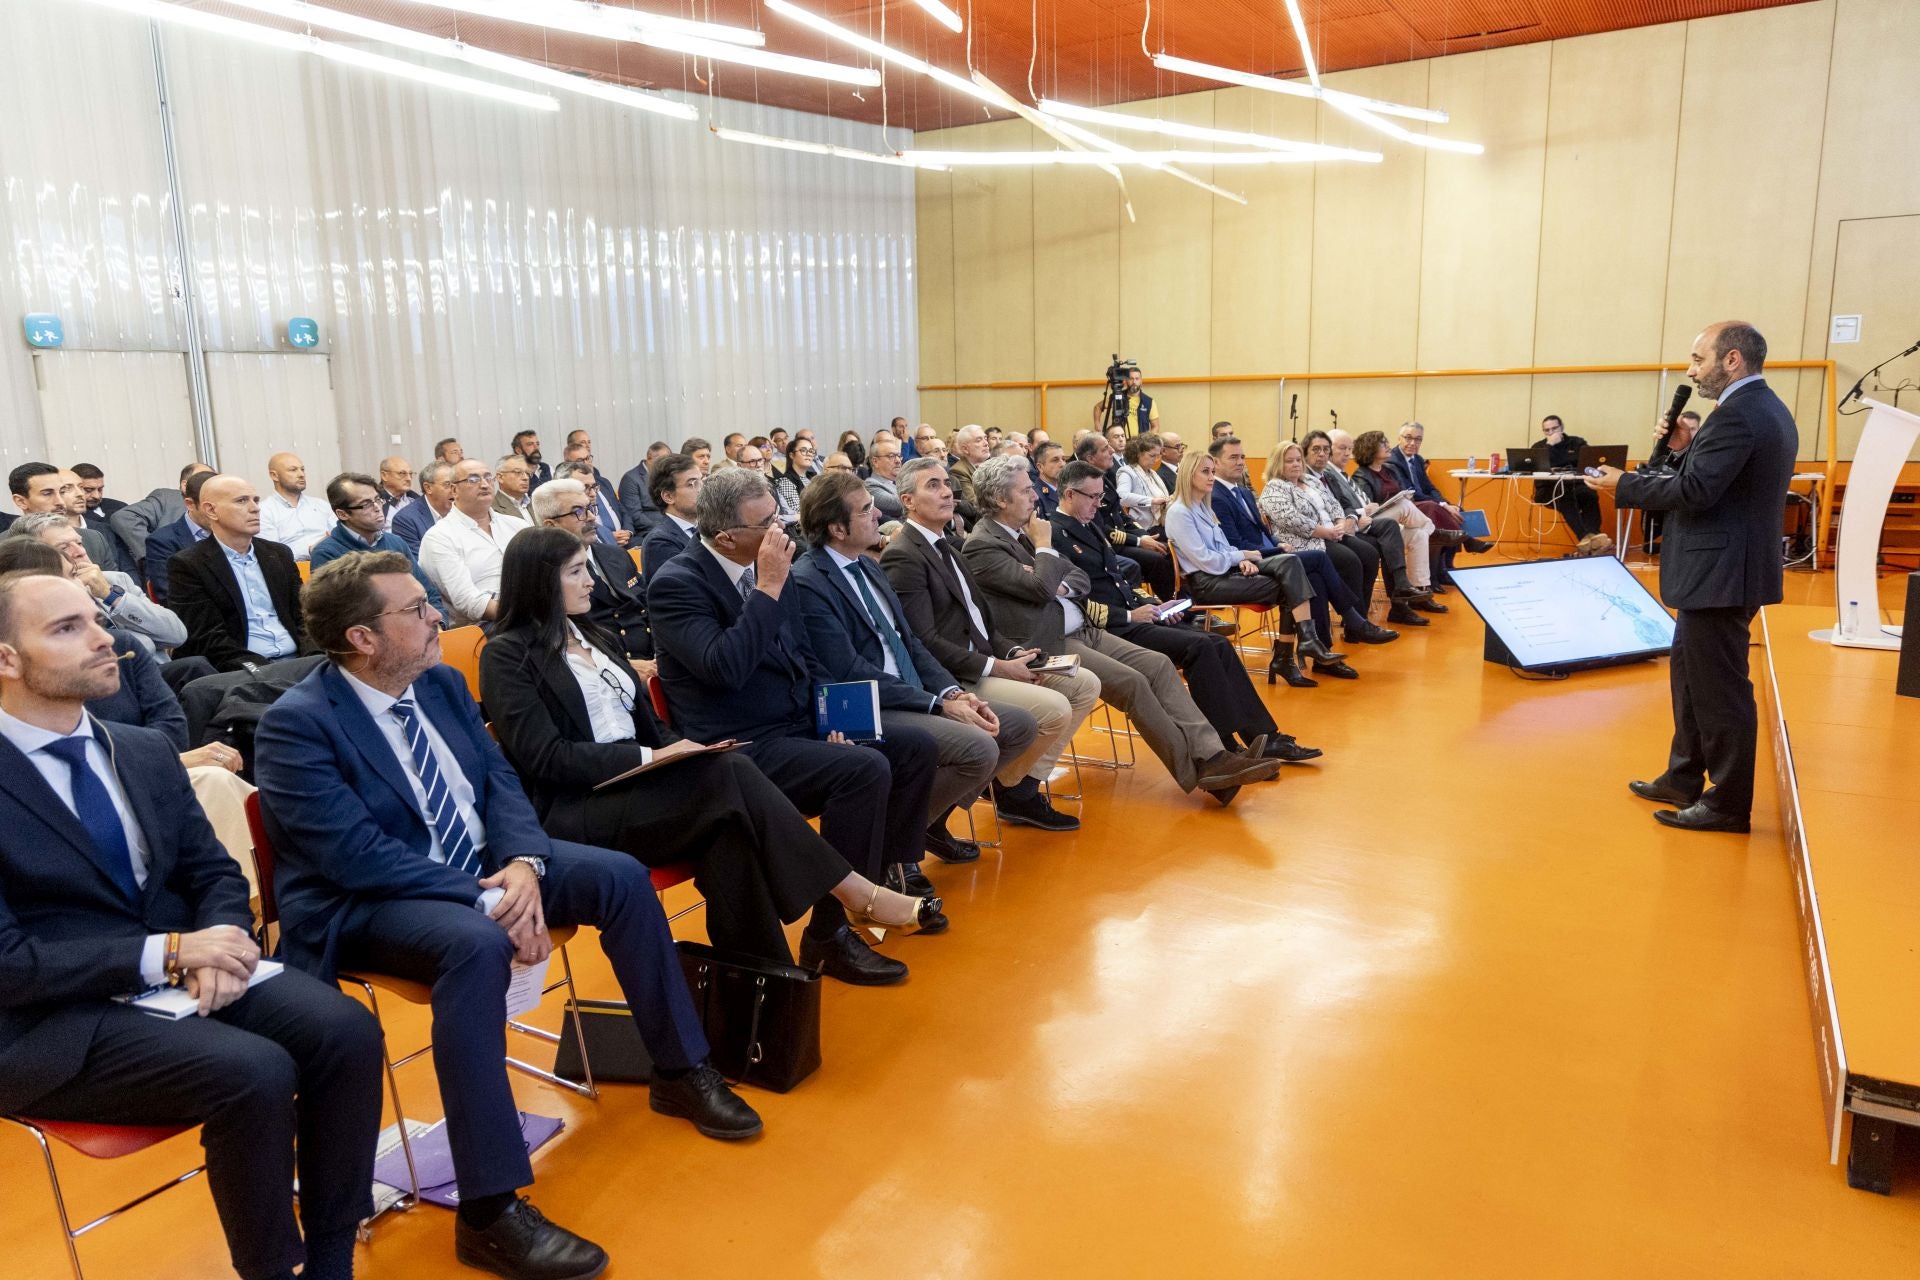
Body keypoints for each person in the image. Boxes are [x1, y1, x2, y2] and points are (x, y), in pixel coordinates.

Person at [255, 552, 761, 1278]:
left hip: (489, 865)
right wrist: (487, 896)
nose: (438, 617)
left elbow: (499, 782)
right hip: (370, 900)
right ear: (361, 638)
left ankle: (680, 1068)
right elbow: (354, 856)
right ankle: (489, 1210)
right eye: (415, 609)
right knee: (474, 946)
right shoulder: (296, 725)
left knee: (617, 878)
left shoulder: (438, 684)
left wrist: (526, 862)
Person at [0, 570, 382, 1280]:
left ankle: (332, 1255)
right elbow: (8, 963)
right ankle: (272, 1270)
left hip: (171, 975)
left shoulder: (138, 750)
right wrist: (170, 952)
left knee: (346, 1029)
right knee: (255, 1072)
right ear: (5, 659)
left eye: (95, 619)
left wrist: (222, 942)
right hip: (48, 1016)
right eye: (67, 628)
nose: (105, 638)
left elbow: (212, 873)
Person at [481, 527, 938, 970]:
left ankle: (766, 987)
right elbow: (546, 758)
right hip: (580, 806)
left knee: (730, 830)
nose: (593, 582)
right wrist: (652, 758)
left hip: (644, 787)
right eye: (577, 572)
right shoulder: (507, 655)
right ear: (540, 581)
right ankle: (855, 893)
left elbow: (648, 725)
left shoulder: (595, 637)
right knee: (730, 775)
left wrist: (680, 748)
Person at [645, 469, 945, 980]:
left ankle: (881, 880)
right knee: (862, 770)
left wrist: (825, 719)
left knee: (913, 746)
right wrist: (766, 587)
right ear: (727, 538)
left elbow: (805, 660)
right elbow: (725, 667)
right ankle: (832, 933)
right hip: (738, 745)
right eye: (767, 522)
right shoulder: (678, 583)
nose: (783, 529)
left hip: (794, 725)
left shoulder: (771, 567)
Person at [970, 457, 1318, 774]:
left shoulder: (1036, 532)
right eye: (1027, 489)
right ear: (1002, 499)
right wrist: (1049, 558)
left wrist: (1058, 580)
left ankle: (1218, 753)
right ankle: (1209, 762)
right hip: (1064, 637)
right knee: (1173, 663)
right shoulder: (1020, 537)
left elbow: (1076, 579)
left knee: (1175, 660)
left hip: (1088, 625)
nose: (1035, 496)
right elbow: (1044, 587)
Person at [1586, 321, 1797, 834]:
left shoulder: (1740, 416)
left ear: (1731, 360)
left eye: (1698, 359)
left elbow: (1698, 494)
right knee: (1690, 680)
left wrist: (1626, 484)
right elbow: (1714, 480)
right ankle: (1684, 777)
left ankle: (1727, 804)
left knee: (1720, 691)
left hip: (1721, 574)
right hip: (1721, 571)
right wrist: (1684, 448)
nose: (1690, 369)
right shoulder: (1757, 410)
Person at [791, 473, 1072, 847]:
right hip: (864, 702)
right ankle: (894, 847)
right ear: (837, 528)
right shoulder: (809, 580)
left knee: (1018, 725)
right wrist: (937, 705)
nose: (878, 515)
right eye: (866, 510)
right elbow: (850, 671)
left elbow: (909, 643)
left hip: (910, 690)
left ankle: (925, 822)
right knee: (979, 747)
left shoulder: (867, 566)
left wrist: (952, 692)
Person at [880, 459, 1113, 832]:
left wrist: (1011, 652)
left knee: (1083, 683)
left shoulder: (949, 547)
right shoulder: (904, 554)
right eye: (933, 485)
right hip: (957, 674)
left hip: (988, 658)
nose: (946, 491)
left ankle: (1019, 786)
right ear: (907, 500)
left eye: (946, 483)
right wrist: (997, 667)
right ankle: (999, 794)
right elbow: (922, 641)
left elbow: (982, 624)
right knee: (1053, 708)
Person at [1160, 452, 1349, 683]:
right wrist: (1242, 555)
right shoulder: (1180, 512)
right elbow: (1206, 560)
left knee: (1291, 570)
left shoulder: (1203, 507)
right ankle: (1296, 650)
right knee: (1292, 578)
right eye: (1205, 472)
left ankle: (1293, 653)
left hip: (1223, 574)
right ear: (1189, 475)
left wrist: (1240, 559)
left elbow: (1222, 549)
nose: (1211, 477)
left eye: (1212, 471)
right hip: (1206, 584)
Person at [1259, 442, 1401, 650]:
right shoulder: (1275, 487)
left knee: (1369, 553)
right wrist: (1324, 531)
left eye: (1298, 460)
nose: (1296, 465)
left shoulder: (1309, 480)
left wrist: (1340, 522)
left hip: (1331, 533)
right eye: (1289, 461)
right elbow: (1290, 519)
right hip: (1305, 542)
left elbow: (1333, 503)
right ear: (1277, 464)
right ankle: (1356, 624)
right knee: (1349, 562)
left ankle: (1356, 623)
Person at [1294, 430, 1437, 625]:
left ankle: (1410, 596)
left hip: (1351, 524)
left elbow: (1341, 504)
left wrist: (1354, 514)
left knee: (1415, 534)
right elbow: (1324, 511)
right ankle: (1360, 617)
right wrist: (1356, 515)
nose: (1346, 454)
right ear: (1305, 453)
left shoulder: (1335, 476)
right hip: (1329, 533)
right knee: (1385, 533)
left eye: (1326, 449)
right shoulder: (1318, 476)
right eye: (1341, 448)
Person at [169, 476, 306, 672]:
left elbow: (304, 616)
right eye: (241, 501)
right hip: (242, 669)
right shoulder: (188, 565)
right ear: (211, 510)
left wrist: (313, 657)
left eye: (256, 500)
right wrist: (264, 671)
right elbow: (208, 638)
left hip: (298, 660)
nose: (255, 508)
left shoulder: (279, 554)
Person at [7, 512, 189, 656]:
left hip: (160, 673)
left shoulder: (115, 580)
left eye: (79, 542)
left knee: (196, 669)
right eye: (64, 548)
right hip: (104, 687)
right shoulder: (31, 602)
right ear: (33, 557)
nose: (80, 552)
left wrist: (111, 595)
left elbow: (177, 634)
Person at [531, 479, 653, 662]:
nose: (591, 517)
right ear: (550, 525)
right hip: (602, 666)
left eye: (590, 508)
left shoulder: (616, 555)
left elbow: (647, 605)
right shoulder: (546, 573)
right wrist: (625, 667)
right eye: (578, 512)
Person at [309, 473, 445, 620]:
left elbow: (429, 592)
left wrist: (438, 623)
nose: (378, 508)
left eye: (378, 499)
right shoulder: (327, 554)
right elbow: (342, 617)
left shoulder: (395, 542)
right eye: (366, 504)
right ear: (342, 514)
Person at [1349, 430, 1473, 591]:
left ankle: (1420, 589)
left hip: (1400, 520)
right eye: (1383, 443)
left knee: (1419, 533)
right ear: (1370, 448)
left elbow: (1405, 490)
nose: (1388, 445)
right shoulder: (1361, 476)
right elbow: (1369, 508)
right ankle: (1436, 532)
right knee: (1406, 505)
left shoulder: (1390, 469)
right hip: (1377, 522)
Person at [418, 460, 530, 626]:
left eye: (488, 478)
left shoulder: (517, 525)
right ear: (454, 490)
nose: (484, 484)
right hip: (484, 627)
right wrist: (525, 613)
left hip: (533, 614)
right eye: (473, 479)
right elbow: (467, 602)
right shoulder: (440, 537)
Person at [1072, 432, 1176, 599]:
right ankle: (1167, 606)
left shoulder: (1104, 478)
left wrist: (1144, 535)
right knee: (1157, 558)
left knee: (1164, 548)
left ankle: (1175, 602)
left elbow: (1122, 516)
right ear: (1091, 458)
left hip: (1122, 538)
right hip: (1109, 544)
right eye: (1105, 449)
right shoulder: (1085, 484)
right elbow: (1099, 527)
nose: (1112, 451)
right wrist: (1138, 541)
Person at [110, 461, 210, 572]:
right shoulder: (168, 498)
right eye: (203, 480)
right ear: (184, 486)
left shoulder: (220, 505)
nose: (210, 484)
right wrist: (153, 550)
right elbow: (124, 518)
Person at [1533, 416, 1611, 554]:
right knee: (1565, 496)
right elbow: (1539, 466)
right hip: (1548, 489)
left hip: (1577, 485)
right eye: (1547, 430)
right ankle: (1589, 539)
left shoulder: (1577, 443)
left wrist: (1563, 453)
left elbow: (1589, 460)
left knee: (1589, 494)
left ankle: (1592, 536)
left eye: (1554, 428)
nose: (1551, 432)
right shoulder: (1539, 447)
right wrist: (1551, 446)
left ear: (1562, 427)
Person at [257, 453, 335, 561]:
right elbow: (272, 554)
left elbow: (338, 536)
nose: (301, 474)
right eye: (293, 470)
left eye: (302, 469)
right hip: (292, 569)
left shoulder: (321, 505)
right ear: (274, 475)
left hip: (331, 563)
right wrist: (310, 550)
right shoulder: (263, 511)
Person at [66, 462, 137, 571]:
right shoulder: (72, 515)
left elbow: (126, 558)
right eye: (88, 490)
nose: (96, 496)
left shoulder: (119, 507)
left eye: (100, 489)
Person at [640, 453, 703, 573]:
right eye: (692, 484)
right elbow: (687, 584)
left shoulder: (706, 528)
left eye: (701, 480)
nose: (701, 488)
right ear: (668, 496)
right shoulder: (659, 542)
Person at [554, 458, 629, 548]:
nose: (593, 494)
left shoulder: (604, 532)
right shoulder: (559, 539)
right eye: (585, 488)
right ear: (563, 491)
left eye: (594, 487)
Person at [391, 459, 457, 557]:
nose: (454, 490)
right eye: (447, 485)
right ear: (428, 488)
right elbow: (419, 561)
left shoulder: (464, 511)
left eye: (455, 484)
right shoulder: (405, 520)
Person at [617, 440, 675, 535]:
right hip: (648, 531)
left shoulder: (666, 476)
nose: (666, 465)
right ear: (649, 458)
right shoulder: (631, 479)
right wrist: (664, 528)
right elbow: (635, 515)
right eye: (663, 460)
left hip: (669, 524)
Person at [1116, 433, 1172, 529]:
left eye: (1158, 456)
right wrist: (1152, 501)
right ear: (1138, 454)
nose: (1156, 460)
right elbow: (1122, 497)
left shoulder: (1152, 473)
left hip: (1160, 524)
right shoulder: (1127, 472)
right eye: (1152, 455)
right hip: (1144, 528)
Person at [1093, 363, 1157, 435]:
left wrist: (1147, 441)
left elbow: (1155, 426)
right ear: (1126, 381)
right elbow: (1097, 407)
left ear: (1141, 381)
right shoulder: (1118, 396)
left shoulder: (1149, 402)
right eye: (1131, 378)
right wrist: (1097, 423)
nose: (1134, 382)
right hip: (1119, 442)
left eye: (1137, 378)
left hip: (1139, 444)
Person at [771, 437, 815, 527]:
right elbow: (798, 512)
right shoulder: (785, 481)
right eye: (803, 450)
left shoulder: (814, 477)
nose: (809, 454)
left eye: (811, 451)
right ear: (791, 455)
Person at [865, 435, 905, 521]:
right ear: (875, 462)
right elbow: (897, 505)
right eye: (891, 456)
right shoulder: (870, 485)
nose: (898, 461)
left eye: (899, 456)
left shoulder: (899, 483)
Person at [375, 456, 420, 530]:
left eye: (410, 474)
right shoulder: (375, 501)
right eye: (402, 473)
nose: (408, 478)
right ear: (384, 476)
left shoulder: (415, 499)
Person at [492, 454, 535, 519]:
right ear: (500, 477)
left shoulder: (537, 503)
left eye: (528, 473)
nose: (526, 478)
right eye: (518, 472)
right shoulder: (491, 508)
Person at [1032, 440, 1066, 518]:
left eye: (1063, 459)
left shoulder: (1068, 490)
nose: (1062, 464)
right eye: (1055, 460)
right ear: (1040, 467)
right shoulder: (1035, 496)